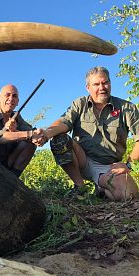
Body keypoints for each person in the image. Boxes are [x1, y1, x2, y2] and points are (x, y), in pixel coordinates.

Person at [37, 66, 139, 201]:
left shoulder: (127, 108)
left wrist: (128, 165)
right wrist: (46, 133)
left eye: (105, 82)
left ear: (110, 83)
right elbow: (63, 122)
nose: (102, 87)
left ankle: (102, 186)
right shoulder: (79, 104)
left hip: (110, 167)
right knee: (59, 138)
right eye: (96, 84)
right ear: (88, 88)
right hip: (82, 160)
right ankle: (80, 187)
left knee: (129, 196)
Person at [0, 84, 42, 177]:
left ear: (17, 102)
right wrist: (28, 134)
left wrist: (18, 132)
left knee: (30, 143)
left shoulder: (17, 117)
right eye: (7, 95)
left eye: (14, 96)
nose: (11, 98)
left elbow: (31, 132)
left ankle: (12, 178)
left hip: (5, 163)